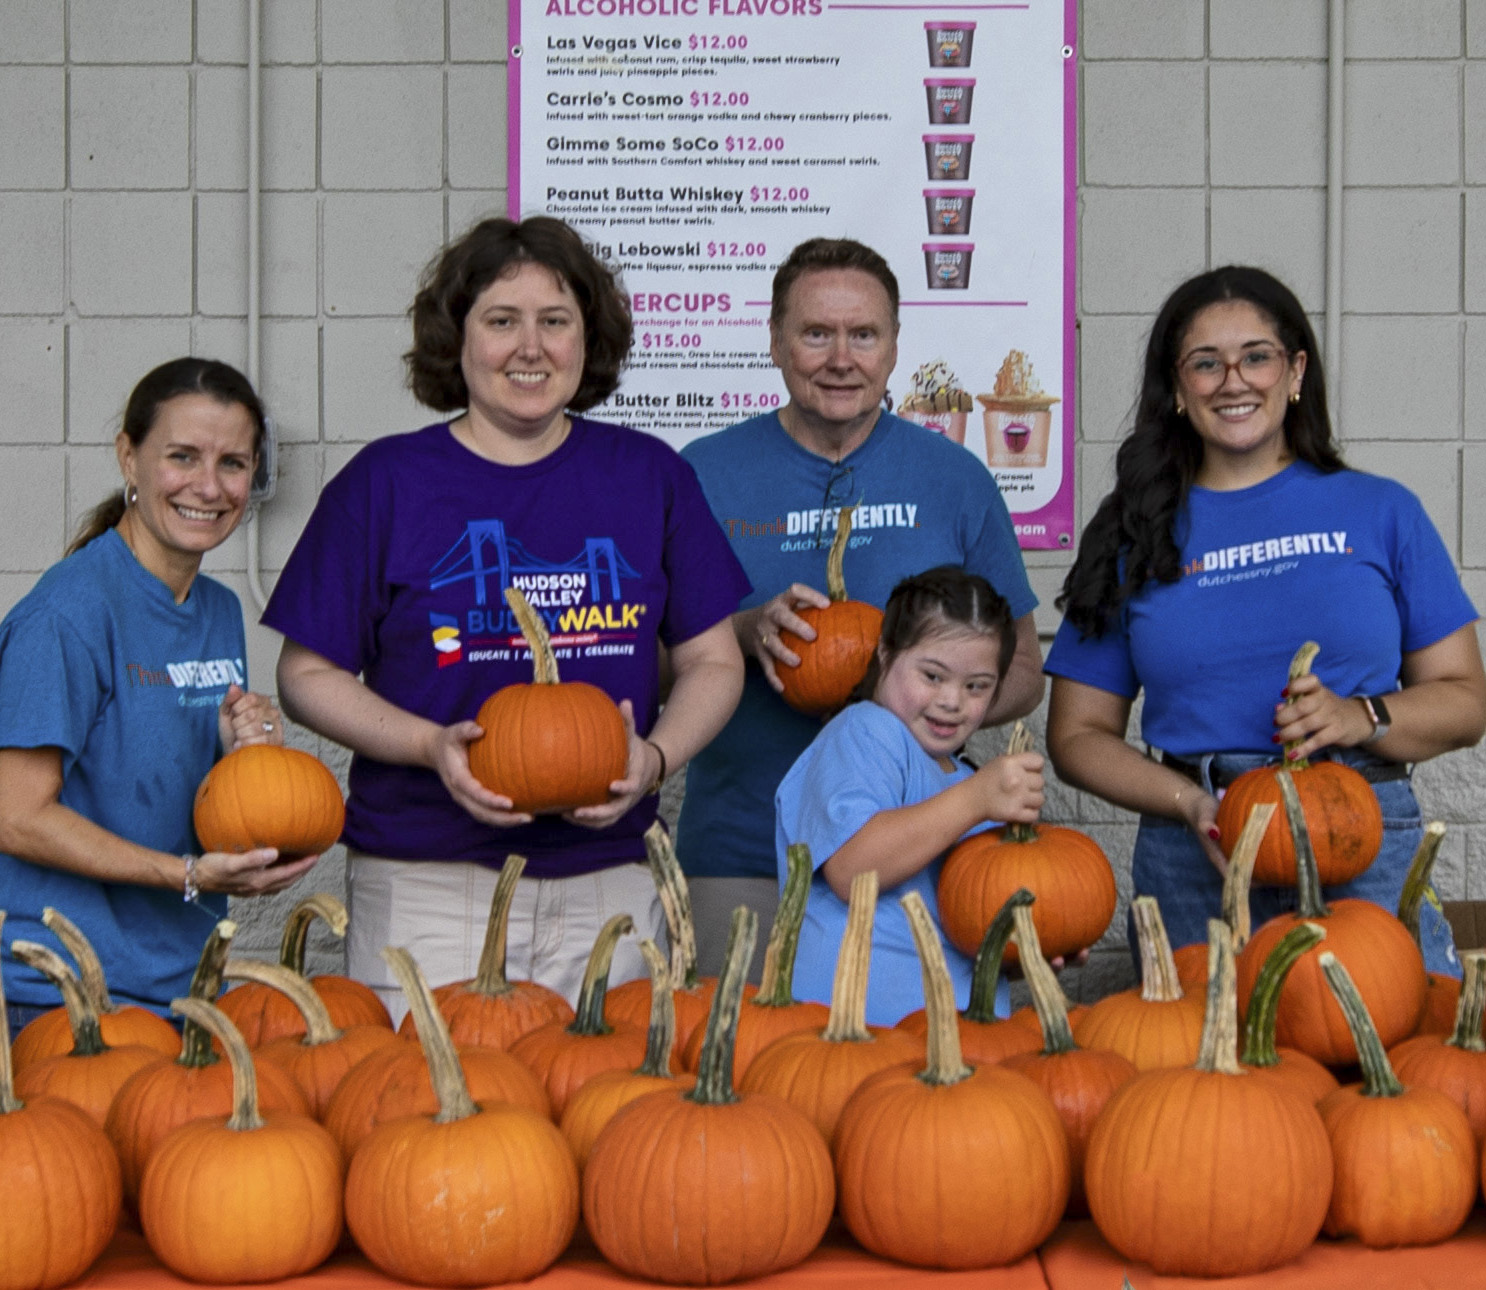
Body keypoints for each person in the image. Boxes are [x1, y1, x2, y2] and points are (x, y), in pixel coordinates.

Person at [263, 216, 749, 1019]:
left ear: (586, 341)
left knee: (607, 1127)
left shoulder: (649, 477)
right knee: (428, 1121)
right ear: (456, 339)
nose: (531, 347)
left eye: (555, 321)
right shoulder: (385, 484)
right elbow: (305, 676)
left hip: (612, 879)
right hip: (427, 881)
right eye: (502, 321)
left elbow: (714, 661)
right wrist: (428, 747)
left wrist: (655, 762)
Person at [1044, 265, 1486, 976]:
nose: (1234, 380)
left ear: (1295, 371)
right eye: (1205, 363)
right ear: (1178, 388)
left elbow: (1466, 701)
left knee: (1388, 1068)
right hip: (1198, 847)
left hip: (1361, 828)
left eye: (1257, 356)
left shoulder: (1380, 511)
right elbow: (1075, 735)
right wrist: (1189, 804)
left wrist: (1360, 715)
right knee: (1207, 1077)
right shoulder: (1135, 533)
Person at [678, 237, 1043, 975]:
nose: (840, 357)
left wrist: (932, 702)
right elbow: (649, 672)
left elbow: (1026, 669)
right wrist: (743, 635)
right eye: (816, 333)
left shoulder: (955, 479)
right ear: (776, 341)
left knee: (906, 1066)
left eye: (863, 334)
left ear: (894, 346)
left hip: (918, 852)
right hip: (739, 852)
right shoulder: (702, 475)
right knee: (740, 1076)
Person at [0, 358, 316, 1029]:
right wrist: (190, 875)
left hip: (185, 984)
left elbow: (159, 778)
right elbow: (14, 814)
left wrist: (241, 757)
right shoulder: (67, 615)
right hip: (67, 995)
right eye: (182, 456)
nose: (209, 485)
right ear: (129, 457)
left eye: (233, 463)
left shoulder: (218, 609)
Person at [775, 567, 1043, 1024]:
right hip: (852, 1030)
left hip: (960, 1036)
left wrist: (1033, 943)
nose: (952, 701)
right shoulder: (865, 732)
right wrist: (976, 799)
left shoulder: (968, 780)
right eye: (933, 676)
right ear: (884, 653)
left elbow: (964, 918)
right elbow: (853, 867)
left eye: (977, 686)